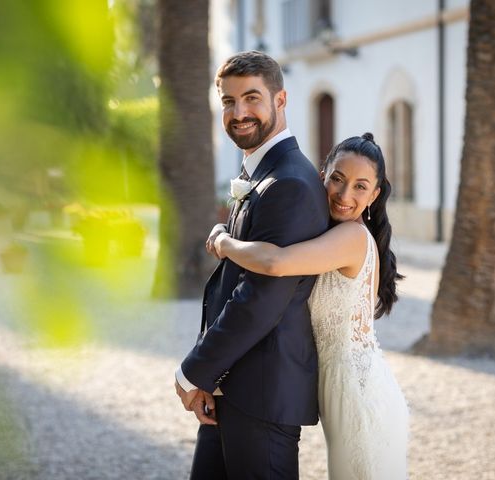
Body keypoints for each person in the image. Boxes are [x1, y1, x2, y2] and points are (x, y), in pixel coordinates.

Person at [211, 134, 409, 479]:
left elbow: (274, 263)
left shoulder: (351, 238)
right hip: (340, 389)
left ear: (375, 195)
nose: (345, 195)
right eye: (337, 179)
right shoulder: (329, 233)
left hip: (358, 395)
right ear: (322, 175)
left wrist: (225, 242)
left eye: (360, 187)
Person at [174, 51, 330, 479]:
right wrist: (212, 377)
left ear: (280, 100)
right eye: (228, 101)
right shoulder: (264, 175)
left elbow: (260, 298)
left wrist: (194, 370)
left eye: (251, 98)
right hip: (232, 386)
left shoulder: (290, 184)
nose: (239, 113)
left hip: (263, 395)